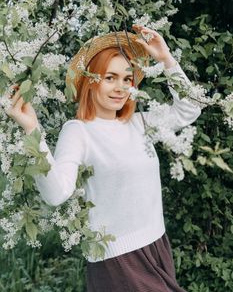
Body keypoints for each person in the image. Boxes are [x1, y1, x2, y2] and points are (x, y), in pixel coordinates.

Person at [6, 25, 201, 292]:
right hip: (117, 261)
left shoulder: (139, 123)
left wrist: (165, 58)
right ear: (91, 80)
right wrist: (32, 130)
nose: (120, 87)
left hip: (156, 245)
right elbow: (55, 193)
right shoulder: (78, 131)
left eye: (127, 79)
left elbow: (190, 109)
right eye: (110, 77)